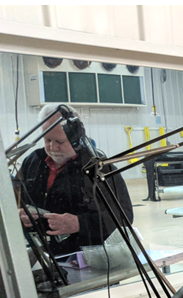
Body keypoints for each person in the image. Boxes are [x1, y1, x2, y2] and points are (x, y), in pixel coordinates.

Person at [16, 104, 134, 257]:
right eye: (47, 140)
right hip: (45, 255)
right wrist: (19, 213)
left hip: (89, 258)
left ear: (76, 138)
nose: (52, 148)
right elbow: (15, 198)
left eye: (60, 142)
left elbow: (124, 216)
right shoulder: (32, 161)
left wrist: (79, 224)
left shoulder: (98, 168)